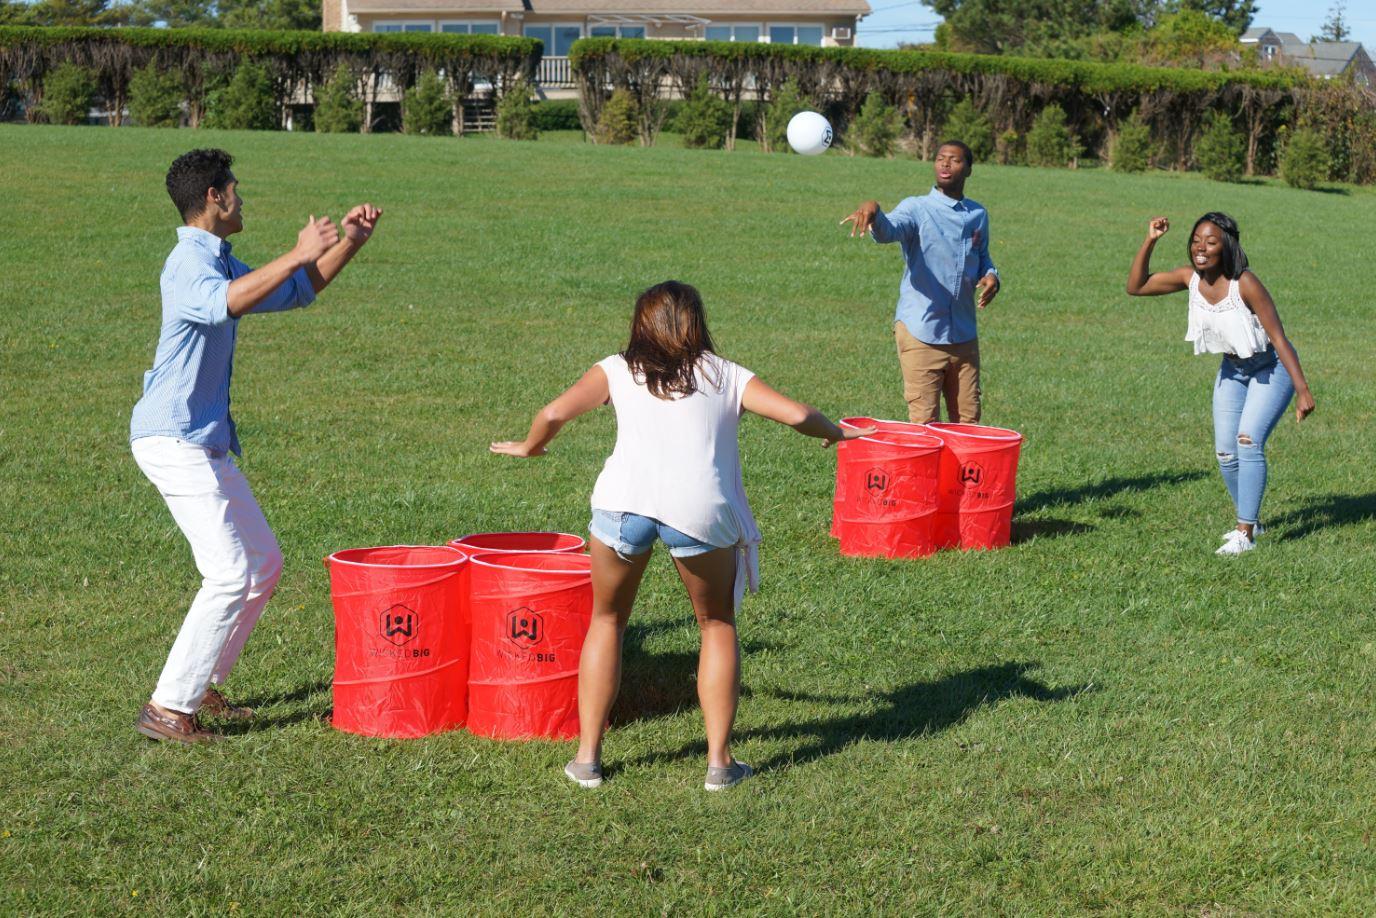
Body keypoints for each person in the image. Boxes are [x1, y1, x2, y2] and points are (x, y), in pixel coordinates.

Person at [491, 281, 872, 790]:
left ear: (639, 324)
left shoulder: (616, 369)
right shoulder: (727, 375)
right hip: (700, 509)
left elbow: (555, 412)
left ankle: (587, 760)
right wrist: (836, 432)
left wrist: (529, 446)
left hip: (622, 505)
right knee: (716, 624)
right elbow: (799, 415)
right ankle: (719, 764)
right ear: (697, 322)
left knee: (607, 620)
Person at [130, 149, 381, 742]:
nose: (242, 200)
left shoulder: (215, 257)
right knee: (227, 571)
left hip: (202, 439)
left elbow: (293, 290)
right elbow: (226, 304)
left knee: (262, 563)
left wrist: (349, 243)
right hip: (173, 438)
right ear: (215, 197)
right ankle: (169, 707)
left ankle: (201, 684)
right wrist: (297, 250)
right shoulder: (188, 263)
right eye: (236, 190)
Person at [1126, 212, 1314, 555]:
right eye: (1197, 240)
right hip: (1233, 369)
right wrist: (1151, 239)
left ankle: (1245, 533)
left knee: (1248, 440)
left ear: (1226, 246)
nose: (1201, 248)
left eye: (1210, 242)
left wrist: (1302, 390)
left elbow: (1279, 338)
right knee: (1226, 453)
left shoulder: (1246, 284)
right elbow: (1135, 286)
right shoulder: (1189, 279)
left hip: (1271, 367)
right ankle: (1251, 519)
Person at [841, 140, 1000, 424]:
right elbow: (889, 231)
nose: (946, 164)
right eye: (940, 158)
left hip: (963, 335)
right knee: (924, 426)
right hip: (921, 331)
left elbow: (982, 256)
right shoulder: (917, 208)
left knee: (968, 423)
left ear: (969, 170)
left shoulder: (978, 215)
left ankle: (956, 472)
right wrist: (874, 210)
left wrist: (991, 276)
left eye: (955, 160)